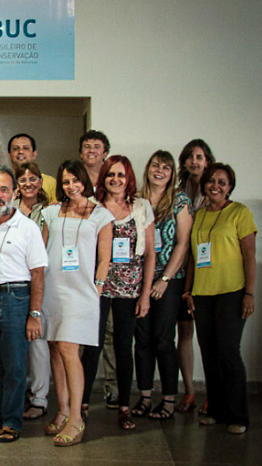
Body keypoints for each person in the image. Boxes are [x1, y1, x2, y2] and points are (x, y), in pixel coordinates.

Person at [41, 160, 113, 446]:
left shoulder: (101, 214)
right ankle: (63, 410)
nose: (71, 186)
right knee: (56, 349)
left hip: (81, 291)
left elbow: (105, 257)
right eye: (66, 181)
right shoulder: (50, 212)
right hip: (52, 289)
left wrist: (97, 287)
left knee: (70, 349)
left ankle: (76, 419)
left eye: (76, 180)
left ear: (85, 181)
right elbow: (42, 252)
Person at [0, 167, 47, 443]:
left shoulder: (28, 228)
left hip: (17, 298)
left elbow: (38, 273)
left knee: (15, 365)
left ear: (15, 193)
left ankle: (12, 421)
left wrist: (35, 314)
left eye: (4, 189)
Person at [81, 155, 154, 431]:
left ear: (129, 178)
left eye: (120, 175)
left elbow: (149, 255)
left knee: (124, 349)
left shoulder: (141, 207)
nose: (115, 180)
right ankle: (83, 405)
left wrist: (145, 294)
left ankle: (124, 407)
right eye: (110, 174)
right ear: (103, 178)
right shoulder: (94, 207)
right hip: (97, 288)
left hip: (130, 290)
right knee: (92, 347)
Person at [183, 163, 256, 435]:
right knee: (209, 353)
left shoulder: (240, 213)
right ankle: (215, 409)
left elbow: (250, 255)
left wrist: (249, 293)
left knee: (228, 353)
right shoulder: (199, 215)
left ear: (230, 187)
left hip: (232, 292)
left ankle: (238, 415)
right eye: (212, 181)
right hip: (202, 294)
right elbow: (192, 256)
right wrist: (188, 291)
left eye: (222, 182)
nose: (215, 186)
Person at [134, 151, 192, 420]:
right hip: (139, 280)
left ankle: (168, 399)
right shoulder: (135, 199)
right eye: (155, 165)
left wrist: (165, 279)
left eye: (166, 168)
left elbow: (183, 243)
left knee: (164, 341)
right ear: (148, 169)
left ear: (172, 174)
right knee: (142, 340)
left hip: (169, 281)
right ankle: (145, 396)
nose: (160, 170)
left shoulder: (179, 201)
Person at [77, 129, 118, 407]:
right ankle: (81, 393)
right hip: (80, 271)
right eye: (87, 146)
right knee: (84, 335)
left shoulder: (113, 183)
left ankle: (112, 387)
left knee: (111, 334)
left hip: (112, 274)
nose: (92, 150)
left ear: (105, 152)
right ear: (81, 153)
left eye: (97, 146)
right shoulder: (76, 184)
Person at [175, 138, 215, 414]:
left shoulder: (217, 195)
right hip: (181, 272)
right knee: (184, 332)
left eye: (200, 156)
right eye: (190, 156)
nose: (194, 161)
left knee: (210, 337)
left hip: (208, 274)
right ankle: (189, 391)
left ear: (208, 161)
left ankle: (213, 393)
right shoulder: (177, 194)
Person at [14, 162, 52, 421]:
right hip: (14, 282)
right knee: (16, 342)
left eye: (33, 179)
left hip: (39, 280)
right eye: (23, 179)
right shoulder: (9, 211)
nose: (28, 183)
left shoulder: (49, 212)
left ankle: (39, 397)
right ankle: (20, 393)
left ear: (40, 182)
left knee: (37, 339)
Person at [7, 133, 57, 202]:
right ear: (9, 155)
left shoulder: (50, 182)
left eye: (26, 148)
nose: (21, 151)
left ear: (34, 154)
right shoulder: (3, 182)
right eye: (16, 148)